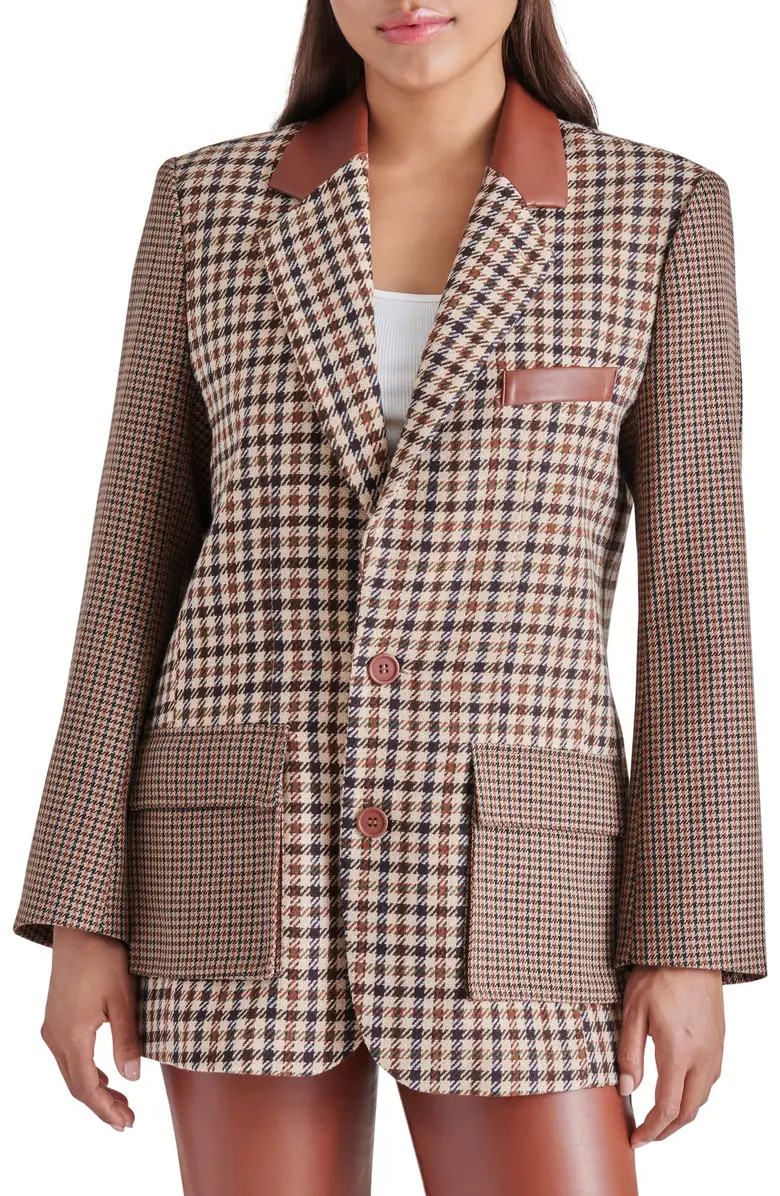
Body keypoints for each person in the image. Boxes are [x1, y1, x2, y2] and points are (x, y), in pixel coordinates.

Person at [13, 2, 767, 1193]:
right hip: (239, 859)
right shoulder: (207, 204)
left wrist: (687, 942)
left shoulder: (657, 211)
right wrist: (80, 908)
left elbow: (698, 609)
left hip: (521, 882)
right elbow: (128, 573)